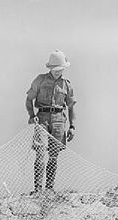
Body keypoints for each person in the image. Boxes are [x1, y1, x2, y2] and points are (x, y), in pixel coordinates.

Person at [25, 50, 77, 193]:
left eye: (60, 69)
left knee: (53, 155)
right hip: (42, 119)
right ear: (50, 68)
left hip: (59, 120)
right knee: (40, 152)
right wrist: (31, 115)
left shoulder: (66, 85)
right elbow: (29, 99)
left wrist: (72, 126)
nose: (57, 72)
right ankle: (38, 190)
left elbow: (71, 107)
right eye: (55, 69)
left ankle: (49, 189)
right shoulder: (40, 80)